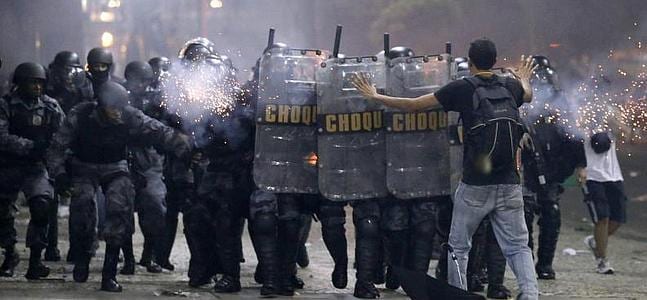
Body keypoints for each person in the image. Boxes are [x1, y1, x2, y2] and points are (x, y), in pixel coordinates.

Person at [353, 38, 539, 299]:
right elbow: (528, 95)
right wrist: (524, 77)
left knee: (458, 248)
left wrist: (375, 96)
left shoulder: (462, 88)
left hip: (475, 184)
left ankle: (458, 295)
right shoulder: (510, 85)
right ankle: (530, 294)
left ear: (470, 61)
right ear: (495, 61)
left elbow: (415, 105)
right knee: (519, 246)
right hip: (510, 182)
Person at [46, 82, 191, 292]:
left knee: (119, 208)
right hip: (84, 167)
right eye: (112, 107)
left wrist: (186, 145)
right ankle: (82, 258)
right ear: (100, 105)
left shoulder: (130, 116)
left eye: (120, 107)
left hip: (116, 167)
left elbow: (160, 132)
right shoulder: (80, 115)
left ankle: (109, 273)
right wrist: (58, 174)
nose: (117, 112)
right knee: (83, 208)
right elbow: (57, 147)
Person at [0, 62, 65, 279]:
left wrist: (57, 162)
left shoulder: (50, 107)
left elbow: (62, 136)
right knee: (2, 211)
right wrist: (30, 146)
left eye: (40, 82)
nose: (36, 87)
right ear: (20, 84)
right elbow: (1, 136)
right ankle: (10, 253)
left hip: (36, 167)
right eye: (32, 82)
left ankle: (35, 260)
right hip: (8, 165)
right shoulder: (6, 105)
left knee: (41, 206)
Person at [583, 131, 626, 275]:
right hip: (593, 175)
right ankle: (602, 260)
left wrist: (616, 122)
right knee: (602, 218)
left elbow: (626, 134)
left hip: (614, 175)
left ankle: (596, 241)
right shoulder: (580, 114)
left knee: (618, 219)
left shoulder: (610, 114)